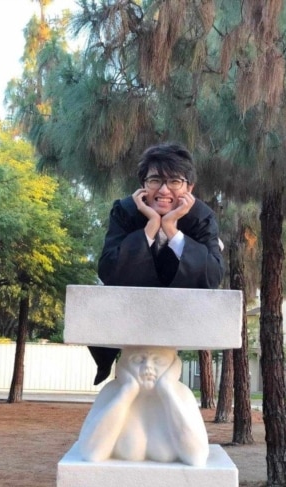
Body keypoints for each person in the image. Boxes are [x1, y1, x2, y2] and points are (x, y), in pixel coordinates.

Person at [90, 142, 225, 384]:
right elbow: (110, 271)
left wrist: (173, 230)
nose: (164, 190)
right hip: (129, 311)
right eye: (155, 181)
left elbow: (213, 276)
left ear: (189, 187)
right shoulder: (125, 211)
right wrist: (151, 226)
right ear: (143, 184)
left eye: (174, 182)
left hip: (177, 314)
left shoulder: (202, 217)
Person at [78, 346, 209, 466]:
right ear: (123, 364)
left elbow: (197, 457)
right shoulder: (112, 391)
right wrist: (127, 393)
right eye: (138, 359)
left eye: (158, 361)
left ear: (174, 365)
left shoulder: (182, 394)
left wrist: (167, 391)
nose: (147, 366)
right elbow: (91, 453)